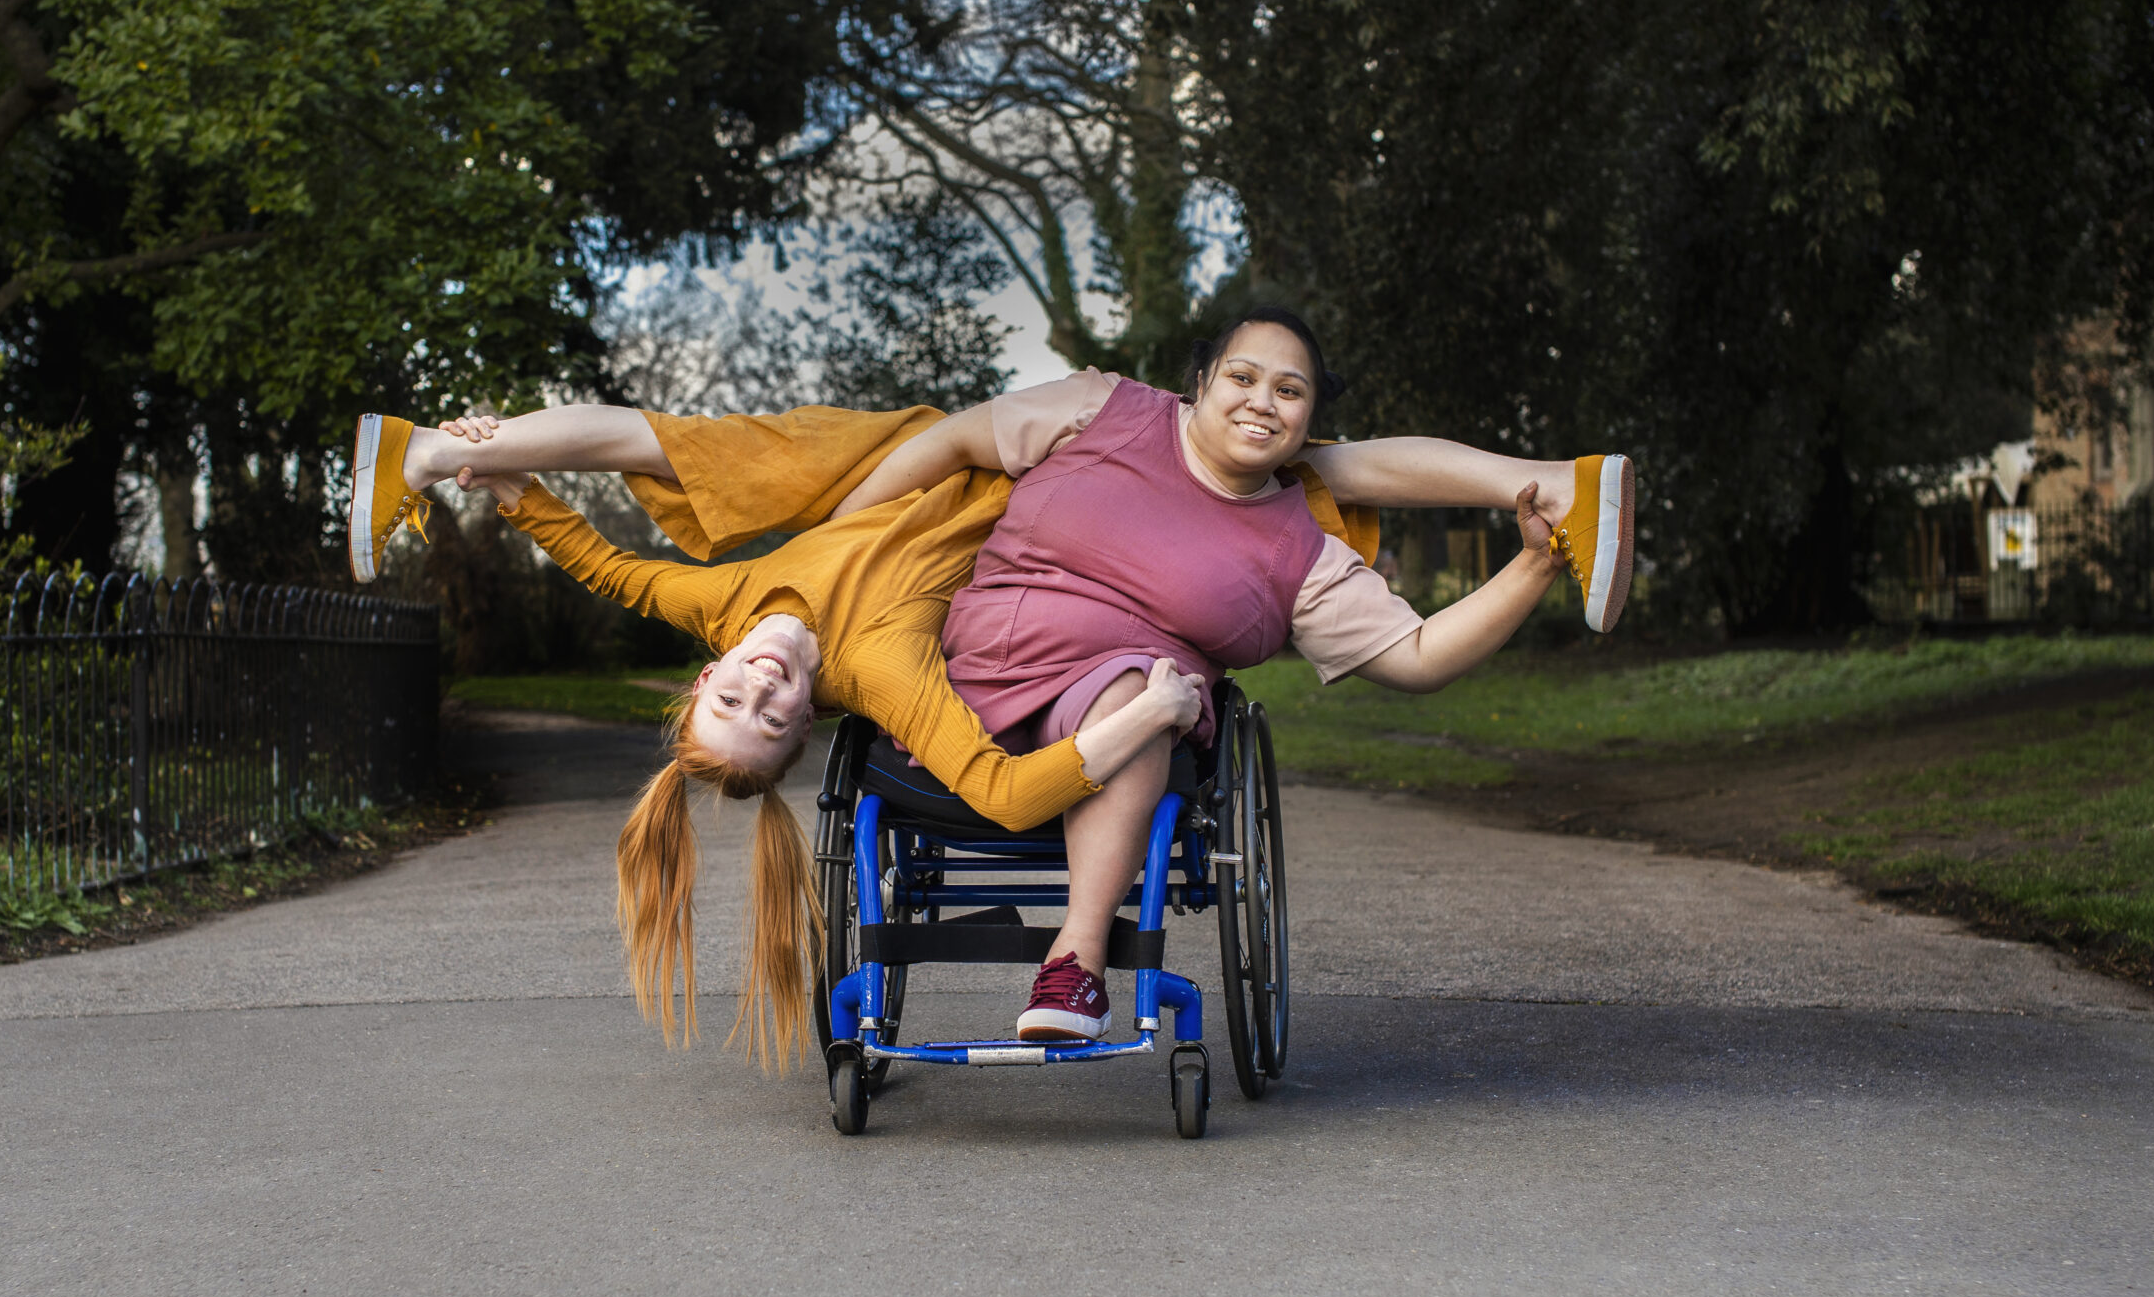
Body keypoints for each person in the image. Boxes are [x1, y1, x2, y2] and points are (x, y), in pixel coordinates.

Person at [347, 313, 1632, 1046]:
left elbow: (610, 567)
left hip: (904, 478)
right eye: (775, 723)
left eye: (734, 701)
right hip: (982, 524)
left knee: (666, 447)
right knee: (689, 449)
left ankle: (418, 453)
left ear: (698, 687)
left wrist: (501, 482)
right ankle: (421, 457)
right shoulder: (884, 658)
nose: (769, 696)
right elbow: (993, 777)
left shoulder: (722, 600)